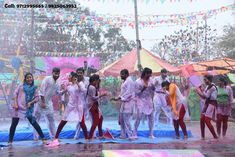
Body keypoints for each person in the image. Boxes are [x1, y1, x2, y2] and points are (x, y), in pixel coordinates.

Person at [47, 73, 88, 146]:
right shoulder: (69, 86)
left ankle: (87, 138)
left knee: (81, 122)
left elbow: (83, 90)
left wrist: (77, 82)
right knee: (63, 120)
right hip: (70, 106)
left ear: (74, 77)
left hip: (78, 106)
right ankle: (56, 137)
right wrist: (55, 91)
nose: (68, 77)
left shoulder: (80, 84)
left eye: (69, 76)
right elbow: (61, 93)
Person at [8, 73, 46, 145]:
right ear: (25, 79)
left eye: (30, 77)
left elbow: (37, 98)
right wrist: (15, 103)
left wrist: (31, 103)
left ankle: (43, 138)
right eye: (28, 78)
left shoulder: (34, 88)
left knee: (34, 123)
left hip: (27, 109)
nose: (29, 79)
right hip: (18, 108)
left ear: (32, 78)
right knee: (13, 124)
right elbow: (15, 94)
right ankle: (10, 141)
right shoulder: (21, 86)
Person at [34, 67, 65, 140]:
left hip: (49, 102)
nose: (57, 75)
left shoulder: (57, 82)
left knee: (51, 119)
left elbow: (57, 93)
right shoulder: (47, 79)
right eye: (55, 73)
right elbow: (41, 91)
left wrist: (63, 91)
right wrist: (43, 102)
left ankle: (54, 137)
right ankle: (35, 137)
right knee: (36, 119)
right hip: (41, 101)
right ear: (52, 73)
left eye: (58, 74)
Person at [111, 69, 135, 140]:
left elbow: (129, 93)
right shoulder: (125, 81)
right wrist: (117, 97)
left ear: (127, 74)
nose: (121, 75)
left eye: (122, 74)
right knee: (121, 120)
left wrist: (119, 98)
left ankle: (131, 136)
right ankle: (123, 135)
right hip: (124, 103)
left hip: (128, 103)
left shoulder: (129, 81)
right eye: (121, 74)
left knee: (126, 120)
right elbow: (123, 93)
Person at [133, 67, 155, 139]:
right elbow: (136, 94)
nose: (150, 76)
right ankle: (134, 133)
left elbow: (153, 91)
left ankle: (151, 134)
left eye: (150, 74)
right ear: (145, 74)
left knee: (151, 117)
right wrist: (143, 89)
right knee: (139, 117)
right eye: (149, 74)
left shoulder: (151, 81)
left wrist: (153, 88)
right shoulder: (138, 82)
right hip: (141, 100)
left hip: (149, 100)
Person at [196, 75, 218, 139]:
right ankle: (203, 136)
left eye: (205, 80)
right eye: (204, 80)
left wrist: (199, 91)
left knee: (207, 120)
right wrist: (200, 91)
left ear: (209, 80)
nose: (204, 81)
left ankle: (215, 136)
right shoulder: (208, 86)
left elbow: (205, 96)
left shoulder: (212, 87)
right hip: (207, 104)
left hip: (211, 104)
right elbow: (203, 96)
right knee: (202, 119)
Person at [87, 74, 108, 140]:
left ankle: (100, 134)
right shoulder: (92, 87)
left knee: (100, 118)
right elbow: (93, 98)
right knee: (96, 121)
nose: (98, 82)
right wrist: (102, 95)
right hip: (93, 106)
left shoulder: (92, 86)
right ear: (95, 80)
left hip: (95, 105)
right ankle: (90, 137)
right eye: (98, 80)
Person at [74, 68, 90, 139]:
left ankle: (91, 135)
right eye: (78, 72)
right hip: (78, 103)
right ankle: (77, 135)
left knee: (84, 119)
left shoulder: (87, 80)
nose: (79, 74)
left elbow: (89, 90)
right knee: (80, 119)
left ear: (83, 73)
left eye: (81, 72)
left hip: (87, 102)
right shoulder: (74, 81)